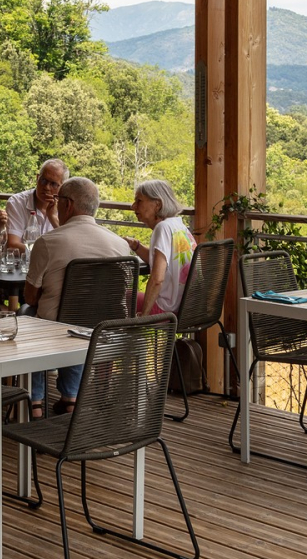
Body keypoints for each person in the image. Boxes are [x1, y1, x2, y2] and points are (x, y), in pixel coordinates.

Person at [23, 176, 129, 416]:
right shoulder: (121, 245)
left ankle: (36, 402)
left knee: (30, 316)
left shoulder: (48, 242)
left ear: (67, 204)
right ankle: (70, 397)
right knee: (80, 317)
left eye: (58, 199)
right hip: (102, 329)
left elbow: (30, 297)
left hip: (55, 330)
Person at [125, 179, 197, 315]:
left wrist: (145, 316)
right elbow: (161, 261)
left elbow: (157, 279)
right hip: (188, 309)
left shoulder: (162, 228)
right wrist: (136, 246)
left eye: (139, 201)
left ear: (157, 204)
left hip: (168, 309)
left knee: (119, 296)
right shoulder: (178, 225)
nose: (133, 206)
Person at [4, 158, 66, 252]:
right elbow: (12, 245)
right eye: (43, 181)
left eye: (53, 184)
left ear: (62, 187)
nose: (46, 187)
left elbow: (69, 245)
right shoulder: (17, 202)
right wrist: (47, 253)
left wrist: (53, 219)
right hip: (24, 264)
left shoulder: (66, 206)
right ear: (37, 178)